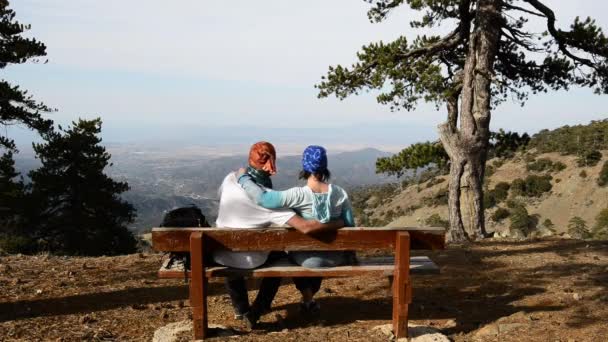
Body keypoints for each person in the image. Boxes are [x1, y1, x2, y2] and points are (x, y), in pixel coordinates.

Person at [214, 141, 344, 328]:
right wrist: (338, 223)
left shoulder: (230, 179)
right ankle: (258, 309)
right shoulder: (271, 202)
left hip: (221, 253)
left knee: (232, 255)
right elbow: (305, 228)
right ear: (271, 164)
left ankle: (241, 309)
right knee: (282, 258)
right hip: (251, 258)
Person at [237, 144, 355, 313]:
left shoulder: (298, 195)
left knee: (291, 255)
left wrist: (243, 178)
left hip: (307, 259)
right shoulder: (340, 193)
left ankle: (307, 295)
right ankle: (308, 299)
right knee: (318, 251)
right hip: (336, 257)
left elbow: (263, 199)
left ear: (304, 167)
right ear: (325, 167)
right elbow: (350, 224)